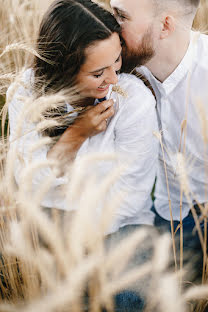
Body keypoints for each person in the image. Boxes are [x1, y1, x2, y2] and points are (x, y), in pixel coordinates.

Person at [8, 0, 158, 235]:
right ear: (64, 70)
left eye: (117, 60)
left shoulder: (132, 99)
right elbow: (28, 182)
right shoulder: (26, 91)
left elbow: (131, 196)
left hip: (120, 227)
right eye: (98, 73)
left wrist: (76, 240)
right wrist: (77, 135)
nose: (114, 79)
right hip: (46, 223)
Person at [110, 0, 208, 306]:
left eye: (120, 16)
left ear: (165, 25)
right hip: (161, 213)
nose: (108, 23)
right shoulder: (118, 70)